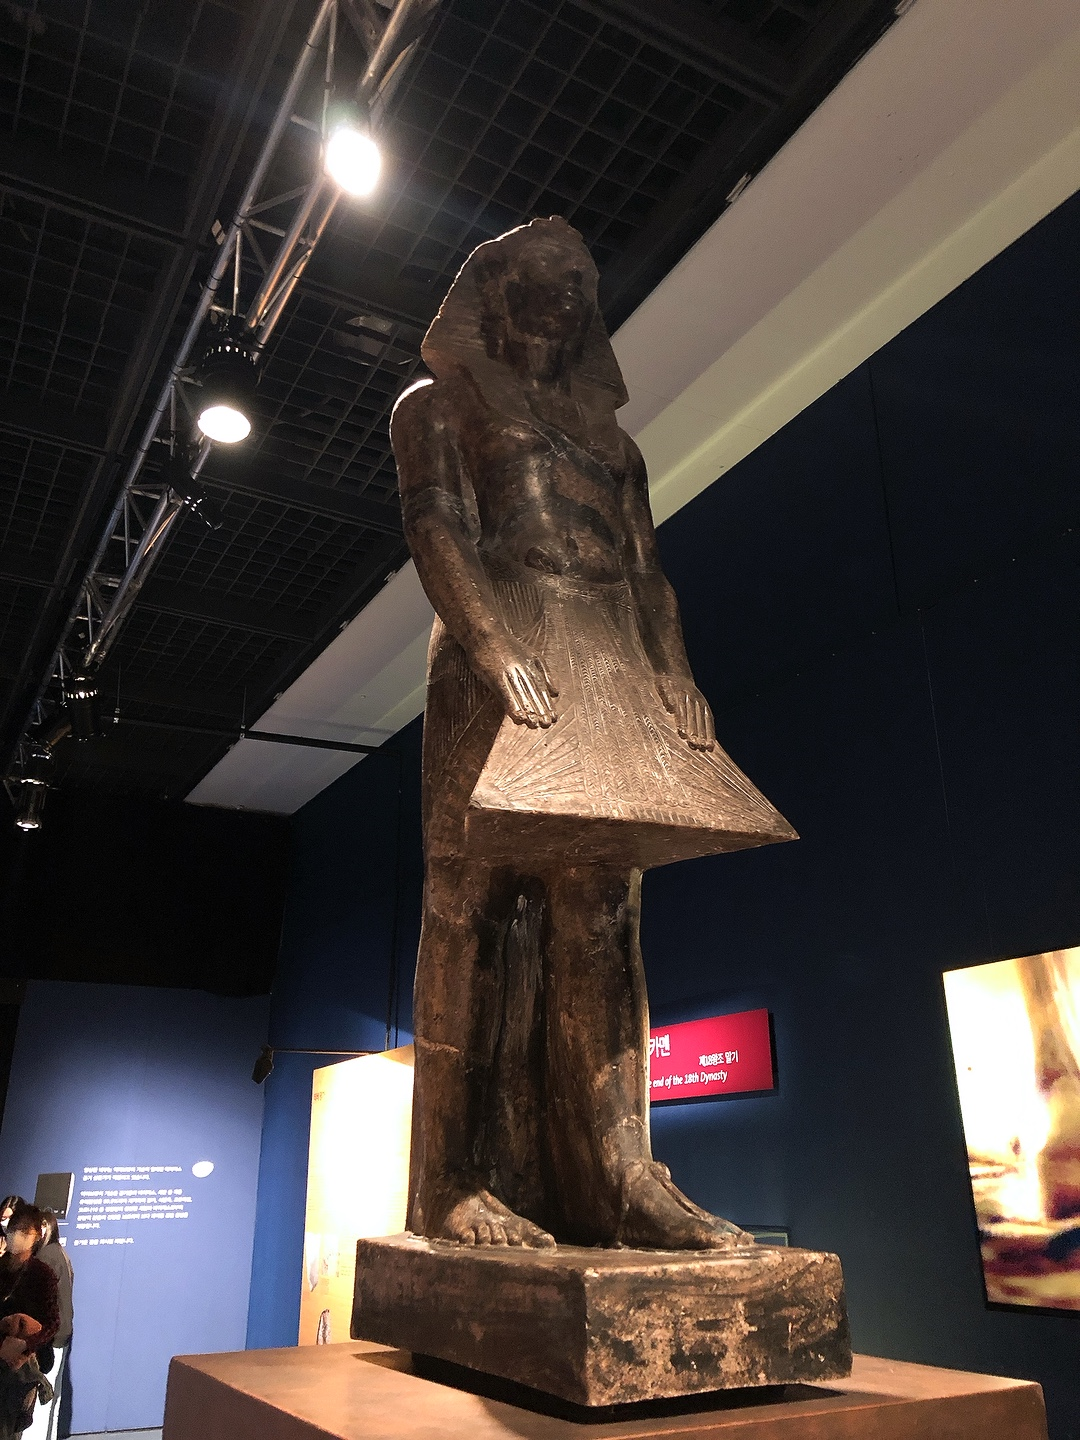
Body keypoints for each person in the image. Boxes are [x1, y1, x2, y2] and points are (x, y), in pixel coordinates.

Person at [392, 217, 793, 1251]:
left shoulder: (617, 446)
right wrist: (492, 647)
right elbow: (438, 527)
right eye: (547, 276)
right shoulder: (437, 404)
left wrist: (675, 674)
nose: (568, 295)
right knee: (468, 907)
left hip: (605, 655)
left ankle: (621, 1176)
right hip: (496, 648)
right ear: (496, 291)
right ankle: (452, 1182)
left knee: (603, 910)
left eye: (582, 281)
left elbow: (646, 570)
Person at [0, 1206, 58, 1438]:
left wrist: (25, 1345)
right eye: (15, 1228)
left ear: (37, 1236)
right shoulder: (2, 1268)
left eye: (25, 1230)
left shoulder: (42, 1274)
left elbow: (52, 1323)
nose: (17, 1234)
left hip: (22, 1365)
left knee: (9, 1427)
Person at [23, 1213, 69, 1440]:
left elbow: (48, 1307)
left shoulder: (46, 1258)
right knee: (49, 1399)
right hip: (56, 1336)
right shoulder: (57, 1253)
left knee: (40, 1395)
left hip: (48, 1339)